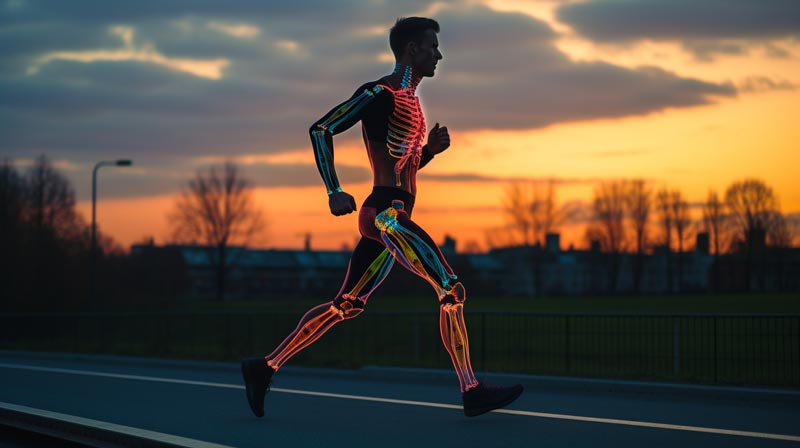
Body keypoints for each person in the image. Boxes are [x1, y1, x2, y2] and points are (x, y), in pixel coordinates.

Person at [242, 16, 523, 418]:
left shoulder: (410, 100)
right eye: (432, 47)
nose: (438, 55)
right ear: (412, 49)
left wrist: (429, 153)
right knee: (451, 290)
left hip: (392, 215)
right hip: (385, 217)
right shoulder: (380, 93)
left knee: (347, 304)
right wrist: (334, 190)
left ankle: (264, 367)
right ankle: (471, 389)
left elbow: (402, 169)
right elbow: (321, 129)